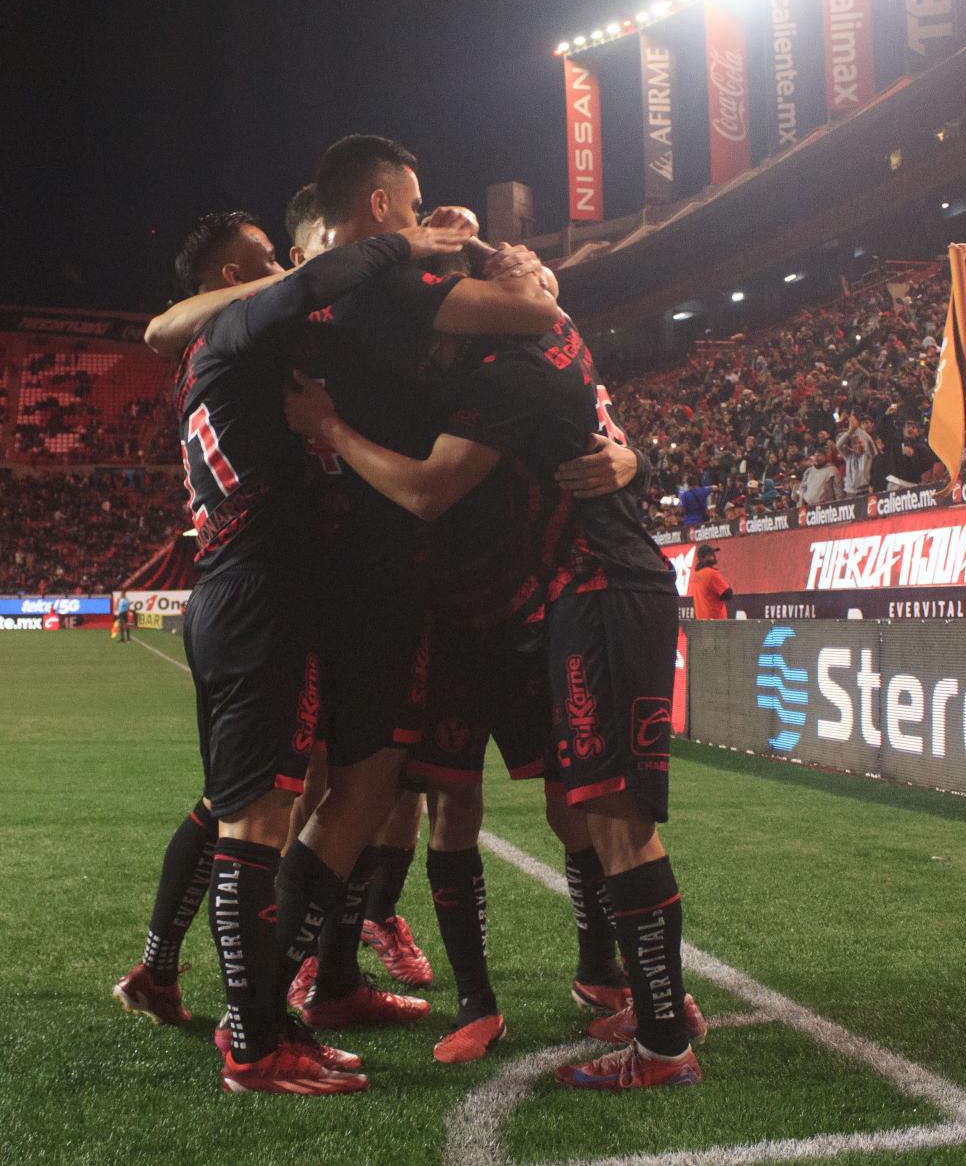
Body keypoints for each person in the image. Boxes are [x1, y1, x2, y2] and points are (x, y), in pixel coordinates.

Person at [284, 300, 706, 1091]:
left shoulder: (511, 364)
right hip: (463, 615)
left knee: (601, 812)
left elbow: (432, 489)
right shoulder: (494, 363)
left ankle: (648, 1017)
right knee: (411, 799)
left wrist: (634, 460)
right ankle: (421, 990)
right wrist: (634, 459)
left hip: (557, 599)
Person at [118, 209, 473, 1094]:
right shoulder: (239, 330)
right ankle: (254, 1044)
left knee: (241, 805)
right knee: (254, 826)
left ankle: (212, 996)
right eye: (264, 259)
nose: (282, 265)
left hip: (250, 594)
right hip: (258, 596)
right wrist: (406, 246)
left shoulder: (221, 344)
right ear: (234, 274)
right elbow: (306, 287)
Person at [688, 543, 731, 620]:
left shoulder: (694, 575)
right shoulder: (711, 573)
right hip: (716, 622)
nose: (714, 556)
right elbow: (728, 594)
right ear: (703, 558)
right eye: (711, 554)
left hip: (701, 621)